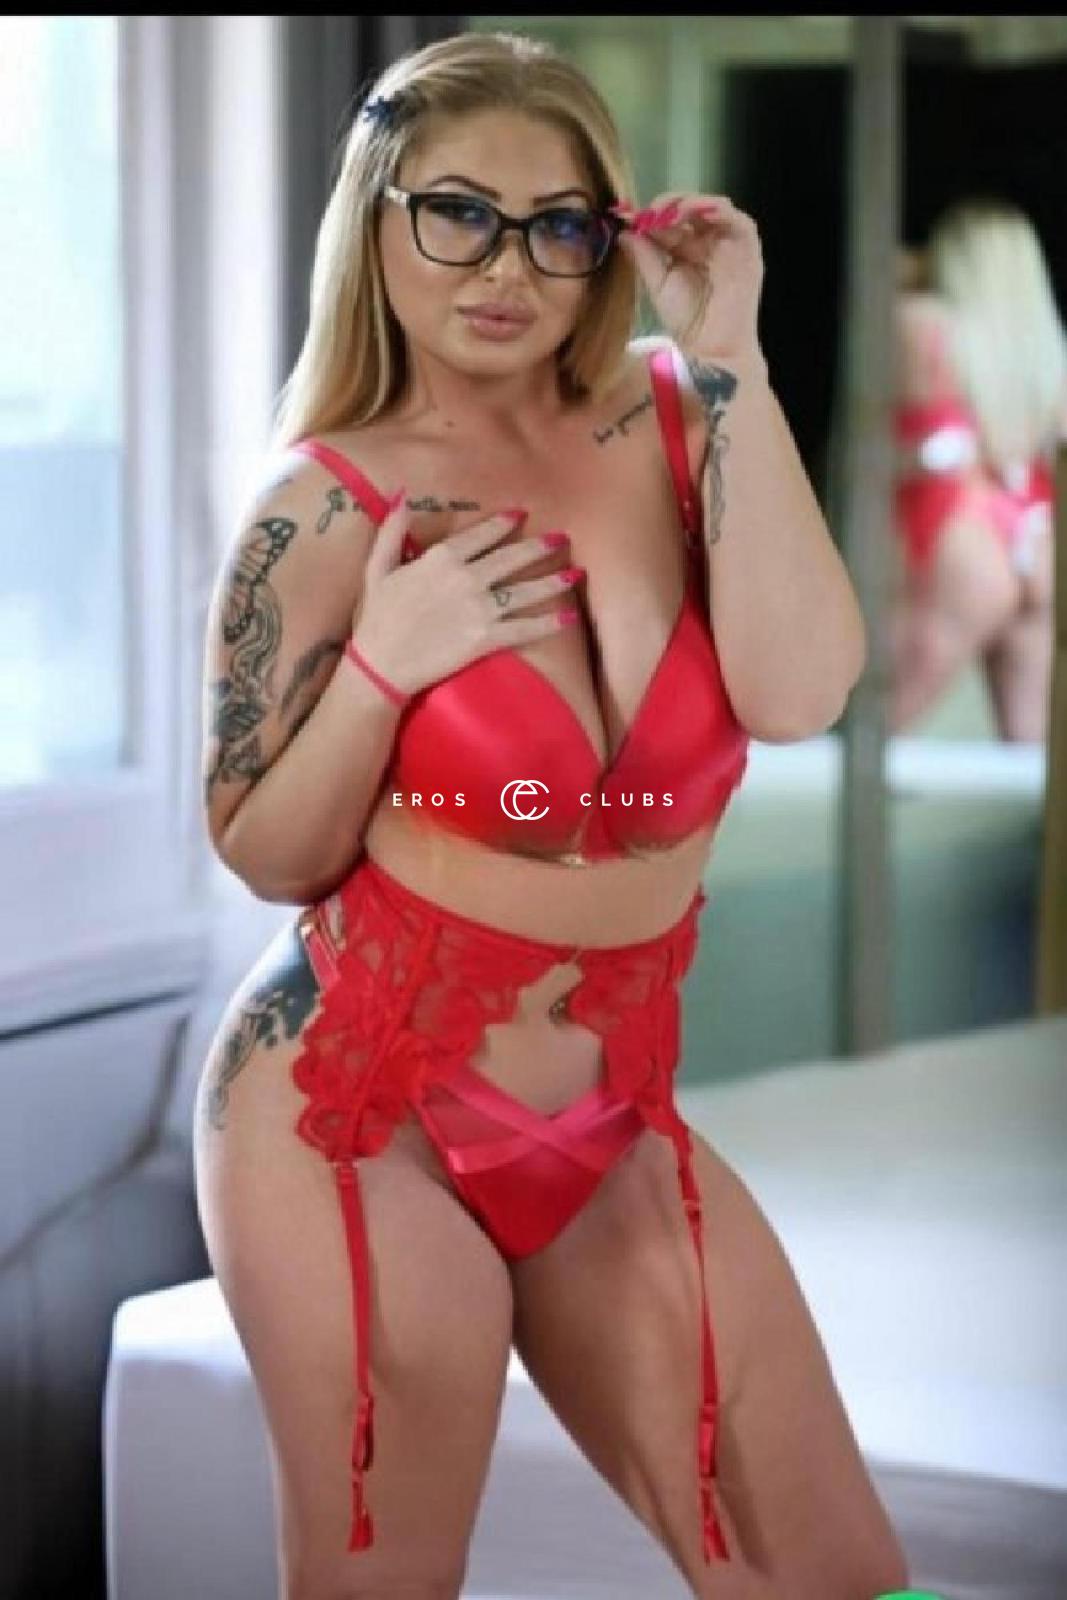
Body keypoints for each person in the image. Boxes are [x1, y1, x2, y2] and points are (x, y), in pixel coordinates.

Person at [193, 30, 907, 1600]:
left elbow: (799, 690)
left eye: (557, 224)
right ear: (375, 216)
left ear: (609, 238)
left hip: (609, 1114)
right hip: (351, 1109)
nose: (505, 266)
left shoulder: (677, 419)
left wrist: (732, 361)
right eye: (456, 212)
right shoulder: (320, 500)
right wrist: (380, 671)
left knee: (832, 1575)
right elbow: (264, 854)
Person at [890, 199, 1067, 742]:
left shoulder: (922, 324)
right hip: (1038, 532)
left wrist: (914, 272)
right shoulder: (1044, 346)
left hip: (962, 527)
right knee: (1031, 753)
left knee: (877, 727)